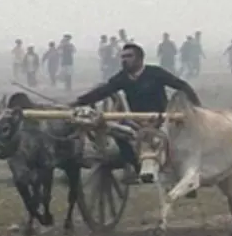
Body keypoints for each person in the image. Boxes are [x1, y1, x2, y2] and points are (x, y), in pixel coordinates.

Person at [71, 42, 203, 178]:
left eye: (129, 56)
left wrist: (197, 107)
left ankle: (182, 172)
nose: (124, 60)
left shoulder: (155, 73)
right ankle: (135, 165)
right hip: (137, 122)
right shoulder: (122, 78)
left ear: (140, 58)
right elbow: (103, 91)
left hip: (162, 121)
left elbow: (181, 86)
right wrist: (78, 102)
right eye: (122, 57)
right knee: (118, 133)